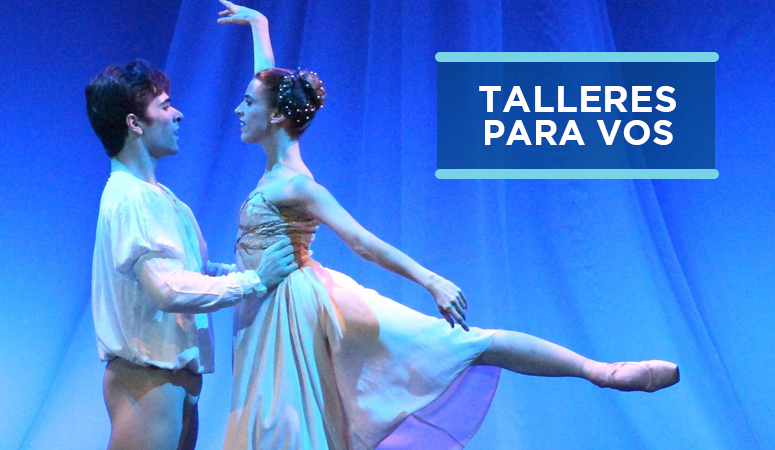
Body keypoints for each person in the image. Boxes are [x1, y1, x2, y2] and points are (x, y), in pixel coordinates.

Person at [216, 3, 679, 449]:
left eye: (247, 103)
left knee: (457, 345)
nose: (239, 109)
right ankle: (595, 370)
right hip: (268, 304)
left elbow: (362, 242)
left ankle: (599, 371)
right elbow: (268, 82)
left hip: (300, 305)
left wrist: (430, 280)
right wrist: (259, 25)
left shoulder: (296, 185)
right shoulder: (276, 165)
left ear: (276, 116)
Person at [86, 59, 298, 450]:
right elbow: (168, 289)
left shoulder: (162, 198)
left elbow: (193, 271)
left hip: (171, 384)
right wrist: (253, 280)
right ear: (135, 123)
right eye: (165, 106)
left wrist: (257, 269)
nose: (178, 114)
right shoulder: (132, 198)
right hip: (147, 382)